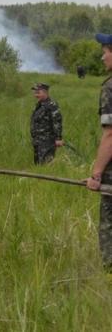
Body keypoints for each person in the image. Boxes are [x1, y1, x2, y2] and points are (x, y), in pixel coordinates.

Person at [86, 33, 112, 269]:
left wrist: (96, 175)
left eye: (106, 51)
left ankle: (109, 276)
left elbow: (111, 135)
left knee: (109, 226)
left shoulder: (110, 88)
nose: (102, 57)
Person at [30, 83, 63, 164]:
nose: (35, 95)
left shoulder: (52, 105)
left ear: (45, 92)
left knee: (46, 164)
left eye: (38, 92)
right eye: (35, 92)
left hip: (47, 141)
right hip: (38, 141)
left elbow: (57, 121)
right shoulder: (39, 105)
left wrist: (58, 138)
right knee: (37, 165)